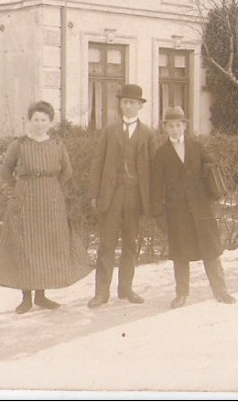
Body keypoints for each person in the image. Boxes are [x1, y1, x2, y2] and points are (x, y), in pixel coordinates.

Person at [0, 101, 92, 314]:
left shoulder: (57, 146)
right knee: (26, 247)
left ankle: (41, 296)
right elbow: (5, 172)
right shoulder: (18, 145)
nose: (39, 124)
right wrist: (17, 191)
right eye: (36, 119)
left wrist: (52, 189)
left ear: (50, 122)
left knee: (47, 247)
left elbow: (66, 172)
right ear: (29, 121)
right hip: (25, 202)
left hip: (50, 203)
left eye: (44, 120)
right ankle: (26, 298)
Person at [150, 106, 236, 309]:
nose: (174, 129)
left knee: (211, 252)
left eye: (178, 125)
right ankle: (181, 294)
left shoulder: (197, 147)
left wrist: (211, 182)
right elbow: (155, 186)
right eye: (170, 126)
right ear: (165, 128)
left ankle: (221, 291)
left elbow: (213, 168)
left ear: (184, 126)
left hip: (201, 210)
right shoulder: (161, 154)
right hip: (177, 213)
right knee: (180, 255)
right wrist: (159, 214)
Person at [87, 84, 157, 308]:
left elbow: (154, 168)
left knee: (130, 242)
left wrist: (152, 199)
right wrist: (95, 192)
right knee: (106, 243)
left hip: (135, 196)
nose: (128, 106)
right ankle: (101, 293)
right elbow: (98, 161)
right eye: (125, 102)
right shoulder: (110, 130)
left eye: (133, 103)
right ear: (120, 104)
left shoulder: (147, 133)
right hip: (112, 194)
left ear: (140, 106)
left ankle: (126, 289)